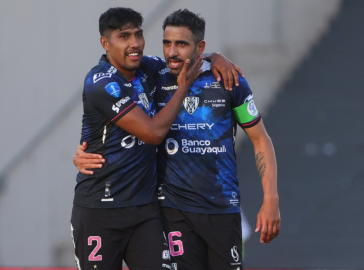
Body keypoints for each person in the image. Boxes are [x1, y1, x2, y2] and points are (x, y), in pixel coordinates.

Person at [75, 9, 281, 270]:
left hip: (222, 209)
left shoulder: (230, 82)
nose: (172, 52)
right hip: (173, 213)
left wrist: (271, 198)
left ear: (200, 46)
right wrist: (83, 150)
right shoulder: (154, 74)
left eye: (181, 44)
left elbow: (261, 139)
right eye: (167, 43)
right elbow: (131, 120)